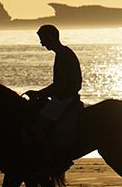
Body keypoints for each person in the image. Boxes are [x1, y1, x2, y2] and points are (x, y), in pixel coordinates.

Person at [24, 24, 82, 169]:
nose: (42, 43)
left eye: (43, 39)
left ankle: (50, 161)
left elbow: (60, 85)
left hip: (64, 99)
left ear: (51, 37)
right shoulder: (64, 53)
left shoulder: (63, 55)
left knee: (38, 128)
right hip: (64, 96)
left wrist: (39, 94)